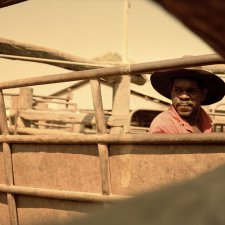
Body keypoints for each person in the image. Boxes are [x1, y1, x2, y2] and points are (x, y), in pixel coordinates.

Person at [149, 68, 225, 134]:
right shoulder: (163, 126)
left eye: (191, 91)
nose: (184, 96)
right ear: (171, 93)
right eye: (178, 90)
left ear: (203, 94)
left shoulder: (205, 121)